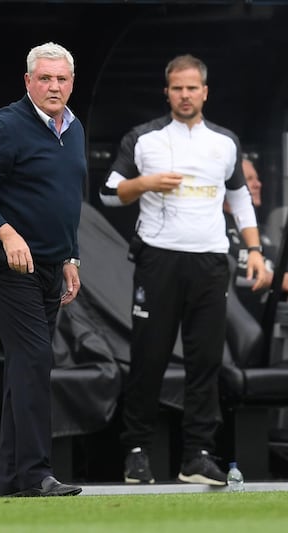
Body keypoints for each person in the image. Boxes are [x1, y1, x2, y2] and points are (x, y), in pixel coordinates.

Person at [99, 54, 269, 486]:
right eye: (177, 88)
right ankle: (136, 451)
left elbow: (239, 199)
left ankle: (197, 453)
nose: (185, 95)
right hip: (158, 258)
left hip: (210, 260)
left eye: (192, 88)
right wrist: (145, 184)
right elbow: (108, 193)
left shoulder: (225, 142)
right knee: (149, 358)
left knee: (206, 360)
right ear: (167, 92)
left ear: (205, 92)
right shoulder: (144, 138)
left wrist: (253, 249)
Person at [0, 42, 84, 497]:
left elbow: (66, 200)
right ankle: (34, 475)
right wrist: (7, 233)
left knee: (25, 365)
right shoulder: (5, 126)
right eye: (45, 78)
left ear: (71, 82)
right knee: (34, 359)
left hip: (51, 264)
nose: (54, 86)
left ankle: (13, 482)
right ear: (27, 81)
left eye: (61, 79)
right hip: (2, 260)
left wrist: (70, 255)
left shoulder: (74, 128)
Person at [226, 157, 288, 320]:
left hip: (268, 318)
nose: (258, 184)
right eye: (249, 179)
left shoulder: (259, 231)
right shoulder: (216, 227)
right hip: (232, 324)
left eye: (257, 178)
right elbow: (228, 272)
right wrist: (272, 279)